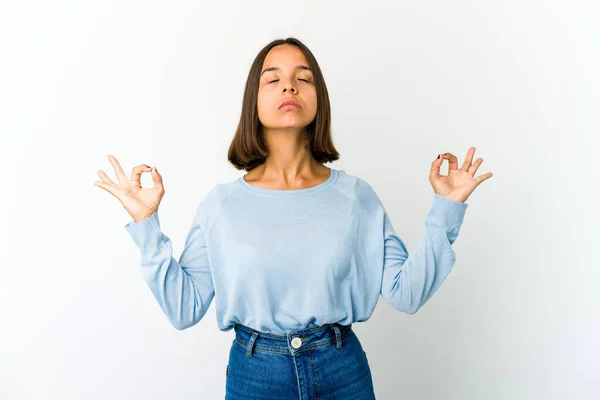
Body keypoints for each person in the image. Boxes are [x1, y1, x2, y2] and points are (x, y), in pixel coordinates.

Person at [94, 37, 492, 400]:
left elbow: (407, 294)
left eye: (303, 78)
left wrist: (446, 210)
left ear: (319, 98)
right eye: (274, 79)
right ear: (254, 100)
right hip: (255, 376)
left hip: (343, 373)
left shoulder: (356, 197)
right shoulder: (221, 205)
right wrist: (147, 225)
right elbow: (184, 309)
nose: (289, 86)